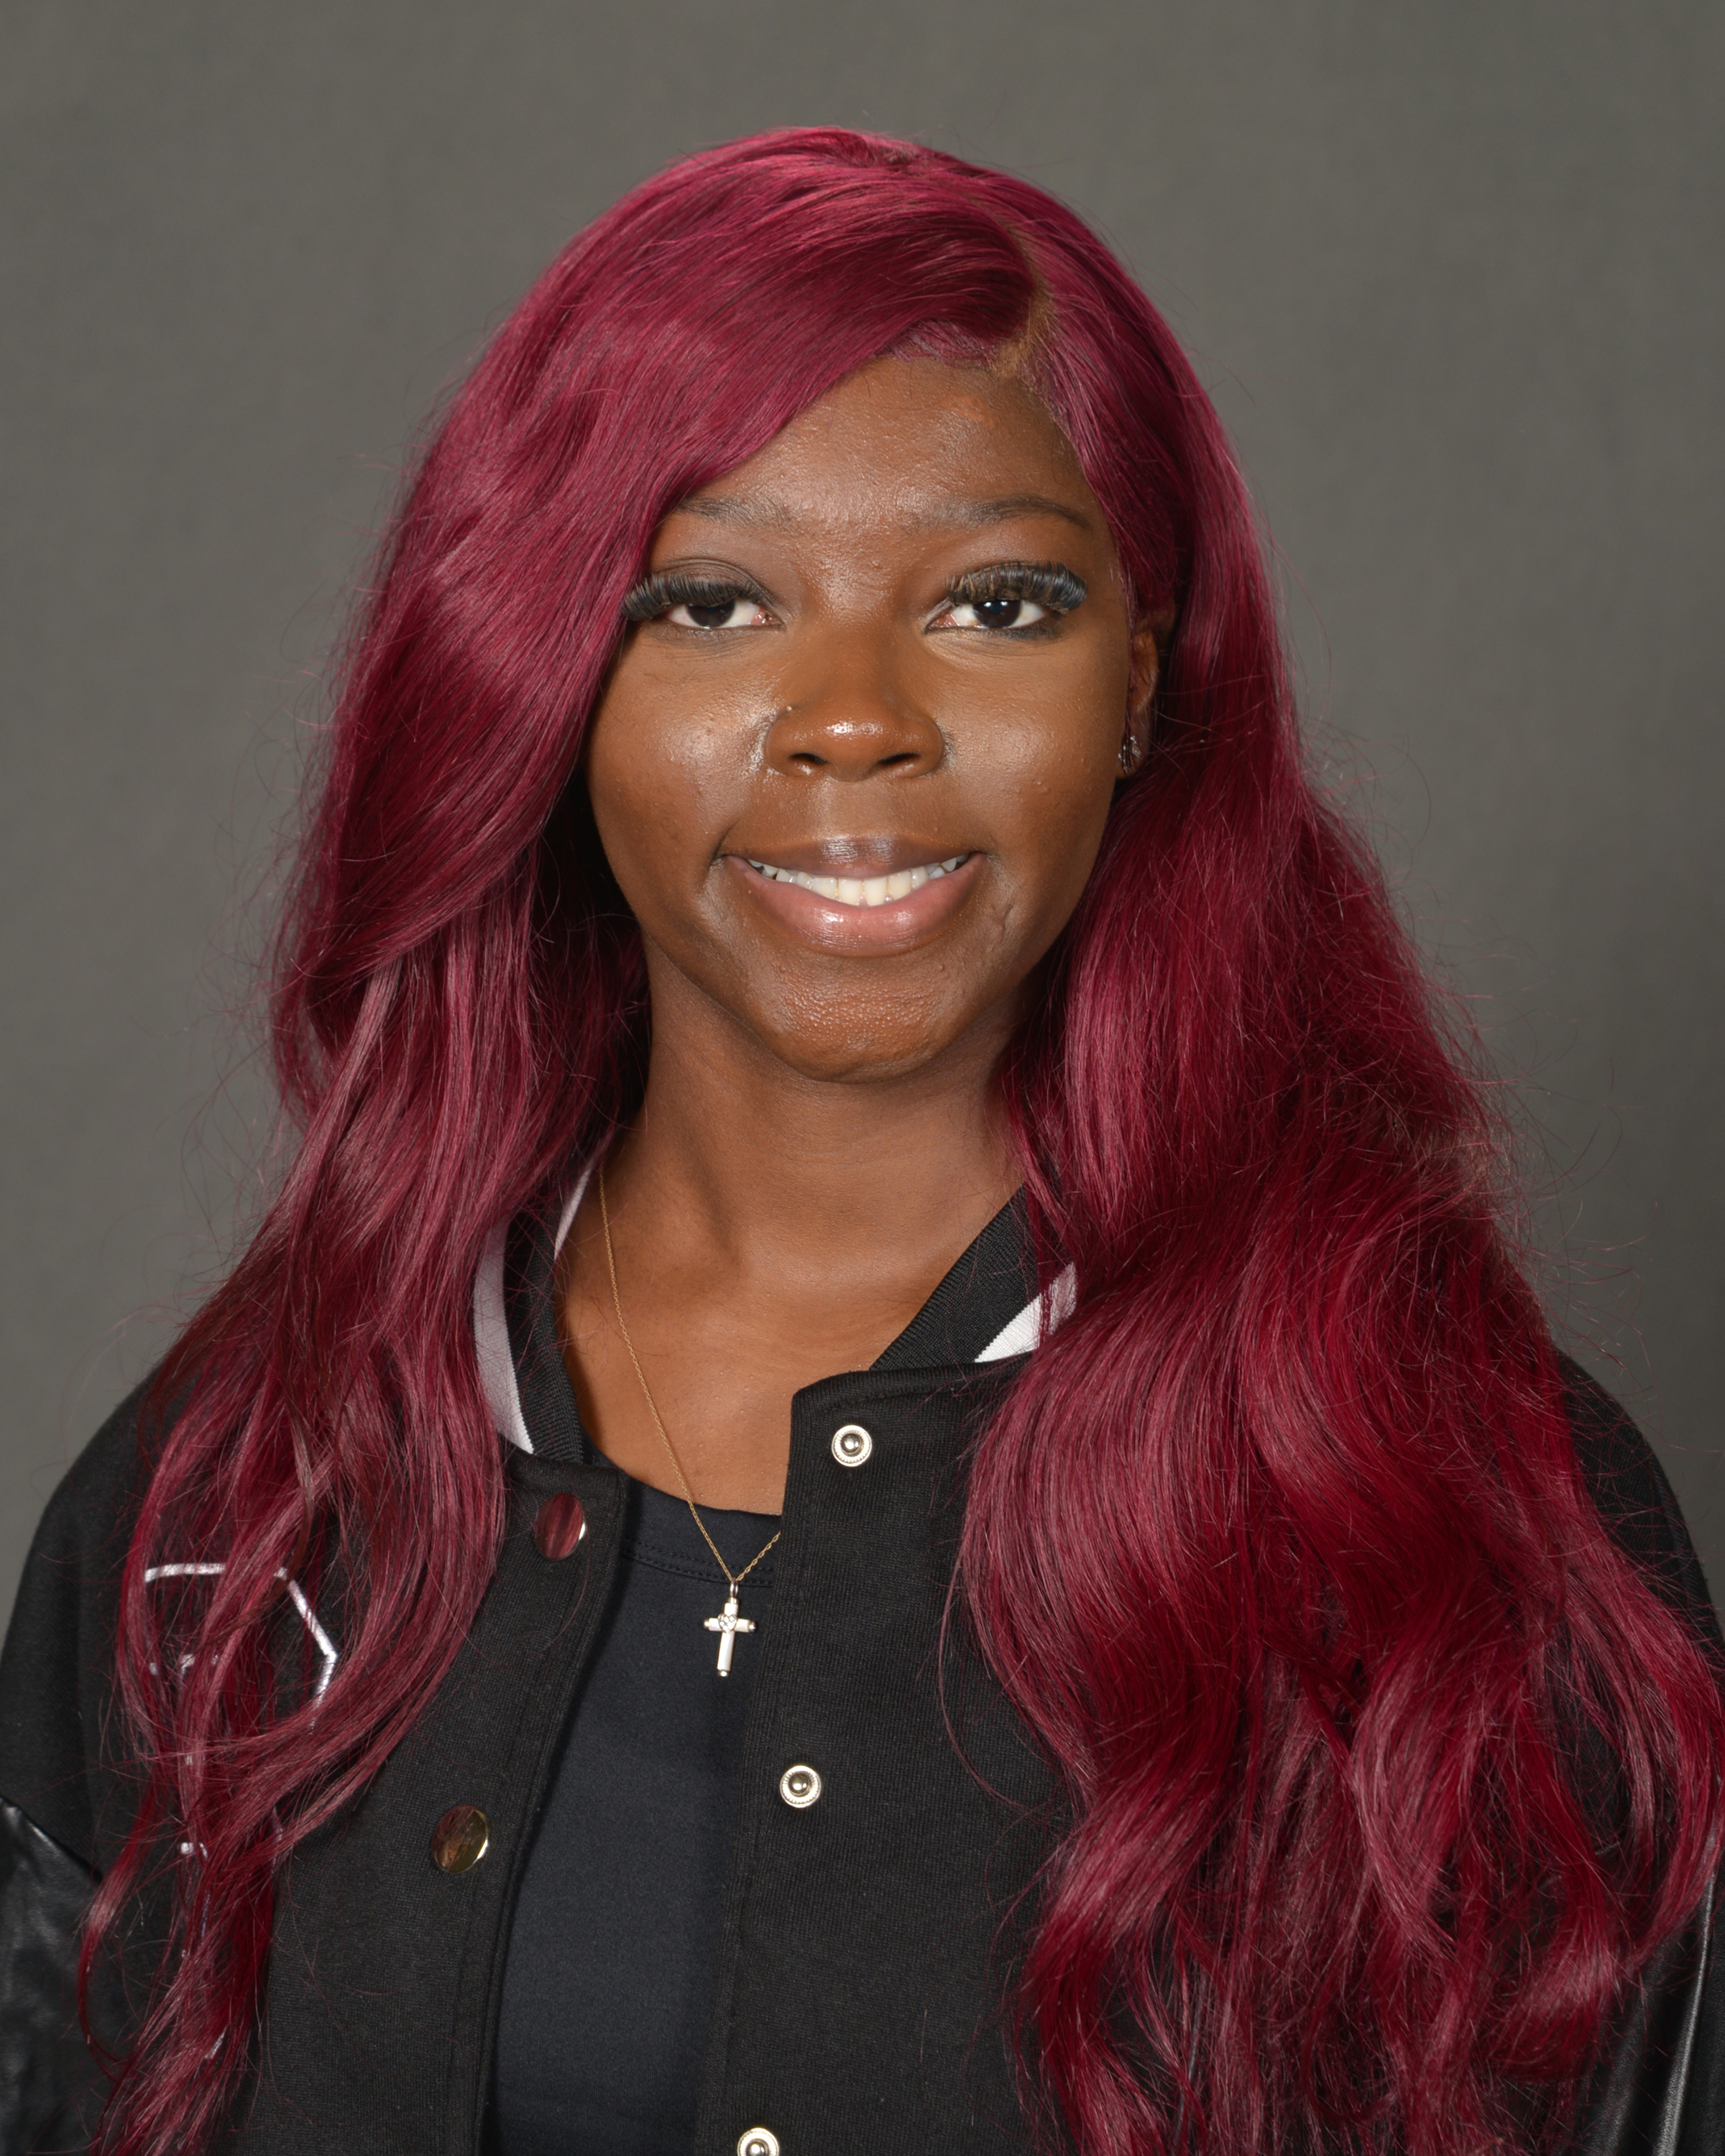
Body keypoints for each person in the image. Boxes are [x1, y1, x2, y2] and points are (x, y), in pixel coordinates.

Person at [0, 126, 1719, 2156]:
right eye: (712, 602)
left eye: (995, 602)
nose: (852, 719)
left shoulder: (1459, 1510)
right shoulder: (236, 1492)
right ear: (547, 683)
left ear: (1143, 679)